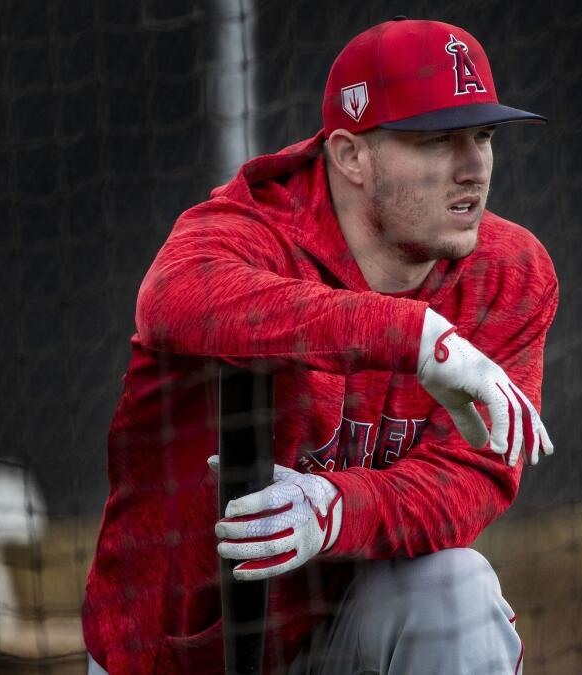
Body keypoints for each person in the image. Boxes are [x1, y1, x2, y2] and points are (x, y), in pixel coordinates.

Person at [83, 17, 558, 674]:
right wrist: (414, 336)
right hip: (175, 650)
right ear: (350, 155)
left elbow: (471, 473)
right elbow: (173, 298)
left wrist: (337, 507)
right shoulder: (255, 229)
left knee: (456, 592)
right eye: (437, 141)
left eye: (482, 135)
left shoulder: (509, 273)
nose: (473, 166)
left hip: (341, 634)